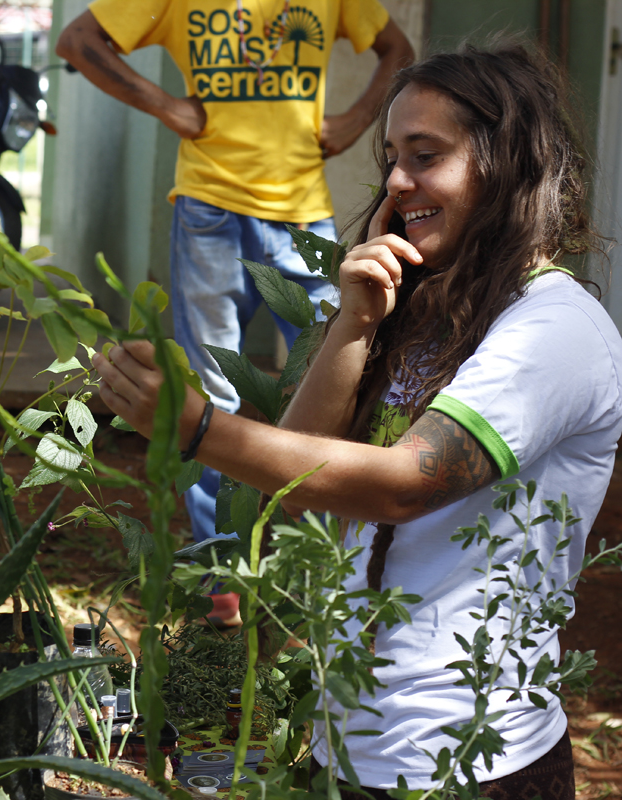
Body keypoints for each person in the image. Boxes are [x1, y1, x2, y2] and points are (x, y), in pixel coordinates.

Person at [93, 42, 620, 797]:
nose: (397, 183)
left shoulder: (555, 328)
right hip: (355, 747)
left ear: (508, 164)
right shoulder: (431, 317)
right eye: (393, 159)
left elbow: (406, 483)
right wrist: (355, 323)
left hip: (468, 764)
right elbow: (299, 486)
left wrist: (199, 429)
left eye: (425, 156)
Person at [57, 0, 414, 554]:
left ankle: (332, 559)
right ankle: (222, 567)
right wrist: (169, 108)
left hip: (301, 212)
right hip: (210, 208)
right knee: (211, 391)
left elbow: (398, 49)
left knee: (344, 372)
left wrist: (352, 121)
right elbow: (78, 40)